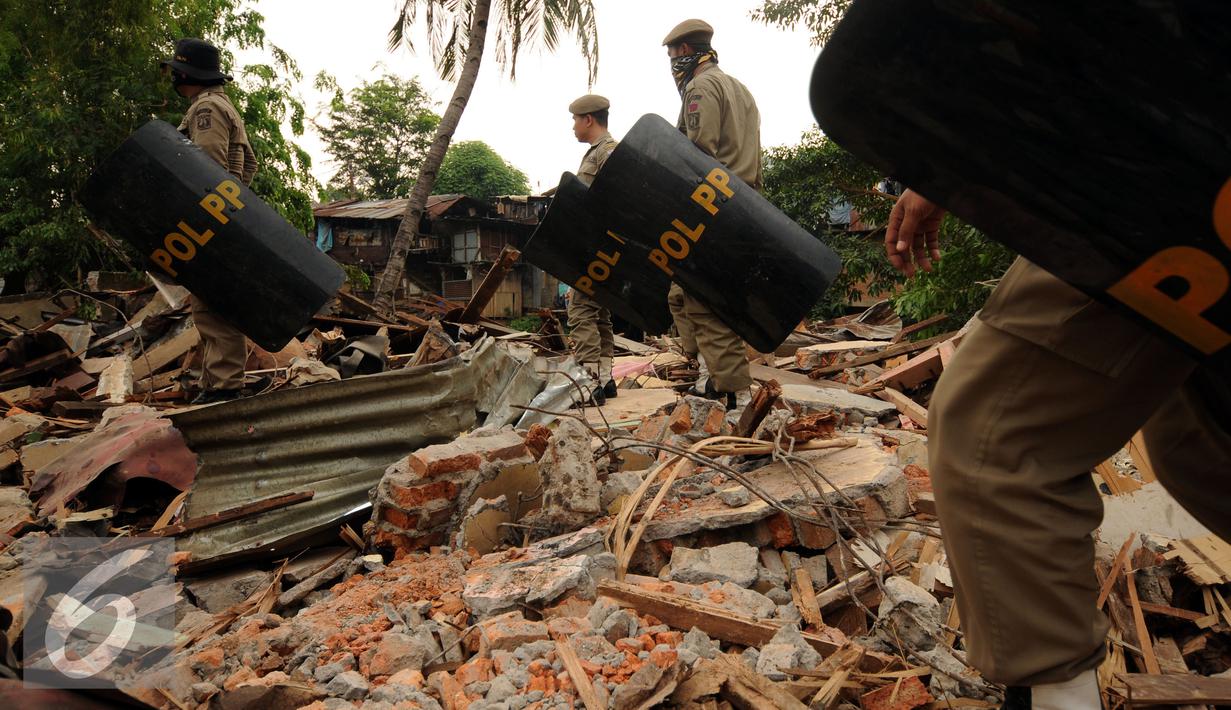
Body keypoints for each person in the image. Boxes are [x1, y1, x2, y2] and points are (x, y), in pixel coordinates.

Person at [886, 189, 1230, 709]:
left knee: (994, 436)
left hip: (1150, 177)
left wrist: (950, 157)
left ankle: (1055, 694)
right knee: (1200, 443)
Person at [662, 19, 761, 410]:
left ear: (685, 52)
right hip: (746, 205)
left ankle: (736, 396)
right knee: (689, 295)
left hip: (713, 205)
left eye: (672, 56)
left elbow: (697, 155)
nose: (672, 65)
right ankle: (714, 378)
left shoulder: (699, 88)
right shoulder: (741, 89)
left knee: (703, 299)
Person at [161, 38, 258, 404]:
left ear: (187, 73)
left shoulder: (208, 110)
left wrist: (198, 219)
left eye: (176, 70)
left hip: (213, 218)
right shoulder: (215, 105)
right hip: (220, 217)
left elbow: (207, 170)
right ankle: (216, 382)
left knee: (214, 307)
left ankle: (225, 388)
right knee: (210, 306)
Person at [566, 93, 619, 404]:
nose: (572, 126)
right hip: (599, 243)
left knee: (582, 310)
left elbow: (617, 197)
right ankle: (606, 378)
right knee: (599, 312)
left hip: (599, 244)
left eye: (575, 120)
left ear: (588, 119)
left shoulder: (607, 152)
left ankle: (591, 383)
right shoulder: (597, 153)